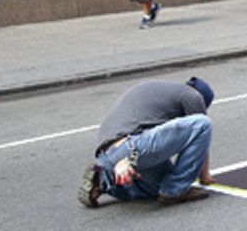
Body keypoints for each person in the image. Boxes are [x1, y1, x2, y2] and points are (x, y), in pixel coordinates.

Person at [78, 77, 216, 208]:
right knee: (203, 124)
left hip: (107, 155)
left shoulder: (159, 91)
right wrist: (205, 176)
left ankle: (104, 180)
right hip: (132, 145)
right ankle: (175, 191)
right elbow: (201, 136)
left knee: (160, 185)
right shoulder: (193, 96)